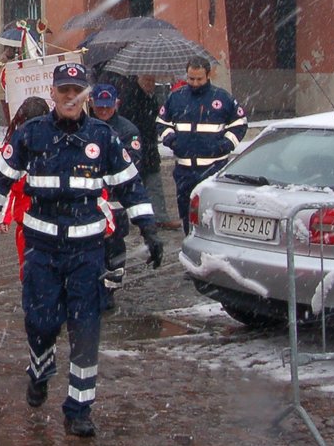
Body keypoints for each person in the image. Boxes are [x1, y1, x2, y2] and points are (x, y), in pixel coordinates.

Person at [0, 62, 161, 438]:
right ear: (53, 93)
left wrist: (149, 228)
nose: (69, 96)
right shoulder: (32, 134)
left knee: (85, 329)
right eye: (63, 89)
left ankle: (79, 408)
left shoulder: (104, 137)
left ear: (86, 96)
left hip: (87, 251)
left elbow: (131, 186)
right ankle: (40, 368)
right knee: (40, 322)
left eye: (76, 90)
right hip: (42, 250)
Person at [156, 56, 247, 236]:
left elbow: (239, 124)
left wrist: (226, 145)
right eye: (191, 78)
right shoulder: (176, 97)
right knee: (187, 212)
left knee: (213, 212)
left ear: (208, 76)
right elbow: (162, 122)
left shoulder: (222, 98)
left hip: (214, 169)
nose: (195, 83)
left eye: (199, 79)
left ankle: (213, 246)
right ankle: (190, 242)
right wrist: (172, 140)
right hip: (184, 170)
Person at [90, 83, 156, 283]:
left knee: (114, 249)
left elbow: (131, 166)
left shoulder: (127, 130)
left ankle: (112, 287)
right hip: (92, 203)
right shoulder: (84, 126)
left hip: (115, 203)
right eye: (99, 106)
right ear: (92, 104)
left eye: (107, 106)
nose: (103, 111)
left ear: (116, 103)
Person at [0, 95, 50, 277]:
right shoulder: (14, 149)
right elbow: (5, 186)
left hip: (45, 225)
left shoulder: (56, 145)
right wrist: (2, 217)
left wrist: (1, 218)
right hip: (33, 226)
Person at [111, 72, 168, 224]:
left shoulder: (149, 97)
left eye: (152, 81)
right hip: (139, 147)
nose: (151, 84)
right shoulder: (131, 96)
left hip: (149, 148)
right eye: (148, 80)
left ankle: (160, 217)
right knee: (135, 185)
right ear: (139, 79)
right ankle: (139, 217)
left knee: (153, 184)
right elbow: (132, 123)